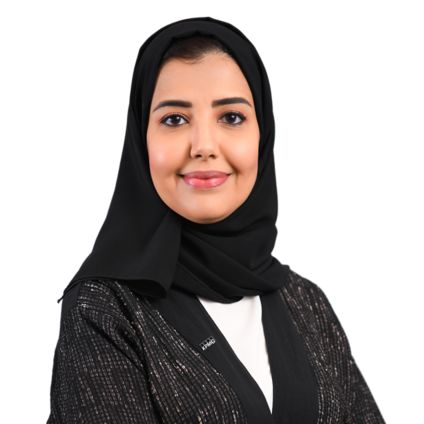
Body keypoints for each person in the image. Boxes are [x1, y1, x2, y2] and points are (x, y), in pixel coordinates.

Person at [46, 16, 386, 423]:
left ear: (262, 135)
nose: (204, 146)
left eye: (231, 117)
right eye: (174, 119)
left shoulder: (306, 304)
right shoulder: (106, 309)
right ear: (141, 139)